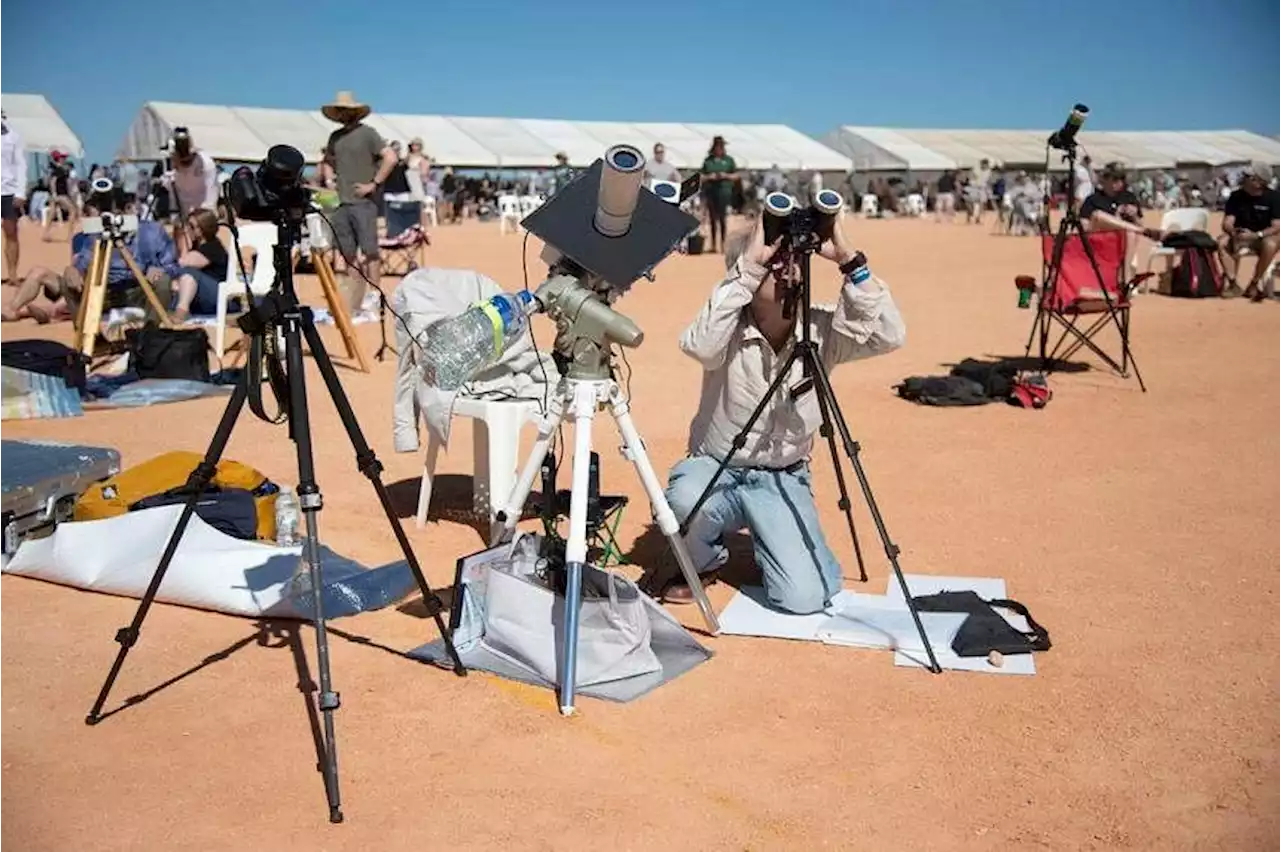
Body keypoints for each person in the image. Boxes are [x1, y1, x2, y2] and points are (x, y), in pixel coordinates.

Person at [661, 213, 906, 612]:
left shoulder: (822, 331)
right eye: (775, 264)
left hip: (781, 476)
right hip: (716, 466)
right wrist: (748, 266)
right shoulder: (726, 328)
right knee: (684, 500)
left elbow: (890, 335)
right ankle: (703, 560)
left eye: (795, 261)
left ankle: (772, 539)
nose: (789, 271)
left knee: (805, 598)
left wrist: (852, 263)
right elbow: (698, 346)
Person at [0, 197, 178, 323]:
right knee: (58, 280)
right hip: (97, 289)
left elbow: (173, 265)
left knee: (163, 282)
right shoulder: (85, 237)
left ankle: (151, 333)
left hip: (135, 288)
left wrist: (160, 271)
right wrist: (73, 270)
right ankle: (16, 310)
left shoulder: (150, 231)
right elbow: (81, 269)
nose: (105, 218)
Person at [320, 91, 397, 294]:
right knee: (347, 253)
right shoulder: (335, 137)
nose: (344, 114)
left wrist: (374, 183)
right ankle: (356, 294)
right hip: (341, 203)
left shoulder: (368, 133)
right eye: (340, 110)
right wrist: (329, 180)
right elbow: (327, 161)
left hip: (363, 202)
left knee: (370, 251)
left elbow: (390, 157)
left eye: (347, 110)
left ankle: (374, 293)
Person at [1218, 162, 1280, 301]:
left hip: (1263, 236)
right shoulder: (1236, 196)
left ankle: (1254, 284)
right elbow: (1227, 222)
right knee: (1222, 242)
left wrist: (1256, 235)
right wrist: (1234, 232)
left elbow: (1277, 226)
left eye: (1247, 176)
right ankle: (1233, 284)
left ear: (1259, 182)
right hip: (1241, 236)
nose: (1243, 178)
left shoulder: (1274, 198)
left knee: (1270, 244)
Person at [1080, 163, 1165, 248]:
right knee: (1098, 215)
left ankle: (1127, 260)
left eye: (1122, 178)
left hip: (1124, 241)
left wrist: (1134, 216)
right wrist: (1115, 215)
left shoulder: (1128, 197)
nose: (1119, 182)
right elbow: (1085, 226)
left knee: (1130, 233)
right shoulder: (1093, 199)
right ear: (1105, 179)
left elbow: (1140, 223)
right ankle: (1143, 231)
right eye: (1115, 179)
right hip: (1101, 240)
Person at [169, 208, 229, 321]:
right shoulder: (197, 247)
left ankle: (181, 312)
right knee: (171, 281)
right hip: (203, 299)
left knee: (189, 273)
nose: (188, 229)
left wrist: (183, 240)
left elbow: (184, 263)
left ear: (203, 228)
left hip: (219, 297)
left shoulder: (212, 247)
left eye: (191, 226)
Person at [0, 109, 25, 285]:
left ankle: (12, 274)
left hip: (8, 191)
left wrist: (20, 192)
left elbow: (21, 165)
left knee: (11, 233)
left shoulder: (13, 137)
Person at [168, 129, 219, 214]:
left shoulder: (206, 164)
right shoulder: (172, 172)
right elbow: (173, 200)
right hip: (184, 214)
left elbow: (211, 197)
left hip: (203, 214)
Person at [700, 136, 737, 253]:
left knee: (722, 219)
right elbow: (701, 176)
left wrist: (725, 175)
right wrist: (709, 177)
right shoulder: (708, 161)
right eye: (718, 146)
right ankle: (713, 244)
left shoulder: (729, 160)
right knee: (712, 219)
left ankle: (723, 244)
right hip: (711, 192)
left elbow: (736, 176)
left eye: (722, 146)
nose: (720, 148)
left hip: (724, 193)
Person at [43, 150, 79, 242]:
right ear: (58, 158)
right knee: (72, 210)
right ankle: (70, 236)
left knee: (52, 214)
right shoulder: (59, 169)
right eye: (62, 157)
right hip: (60, 194)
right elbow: (53, 182)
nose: (64, 159)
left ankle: (45, 234)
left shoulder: (56, 169)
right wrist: (55, 193)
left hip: (57, 195)